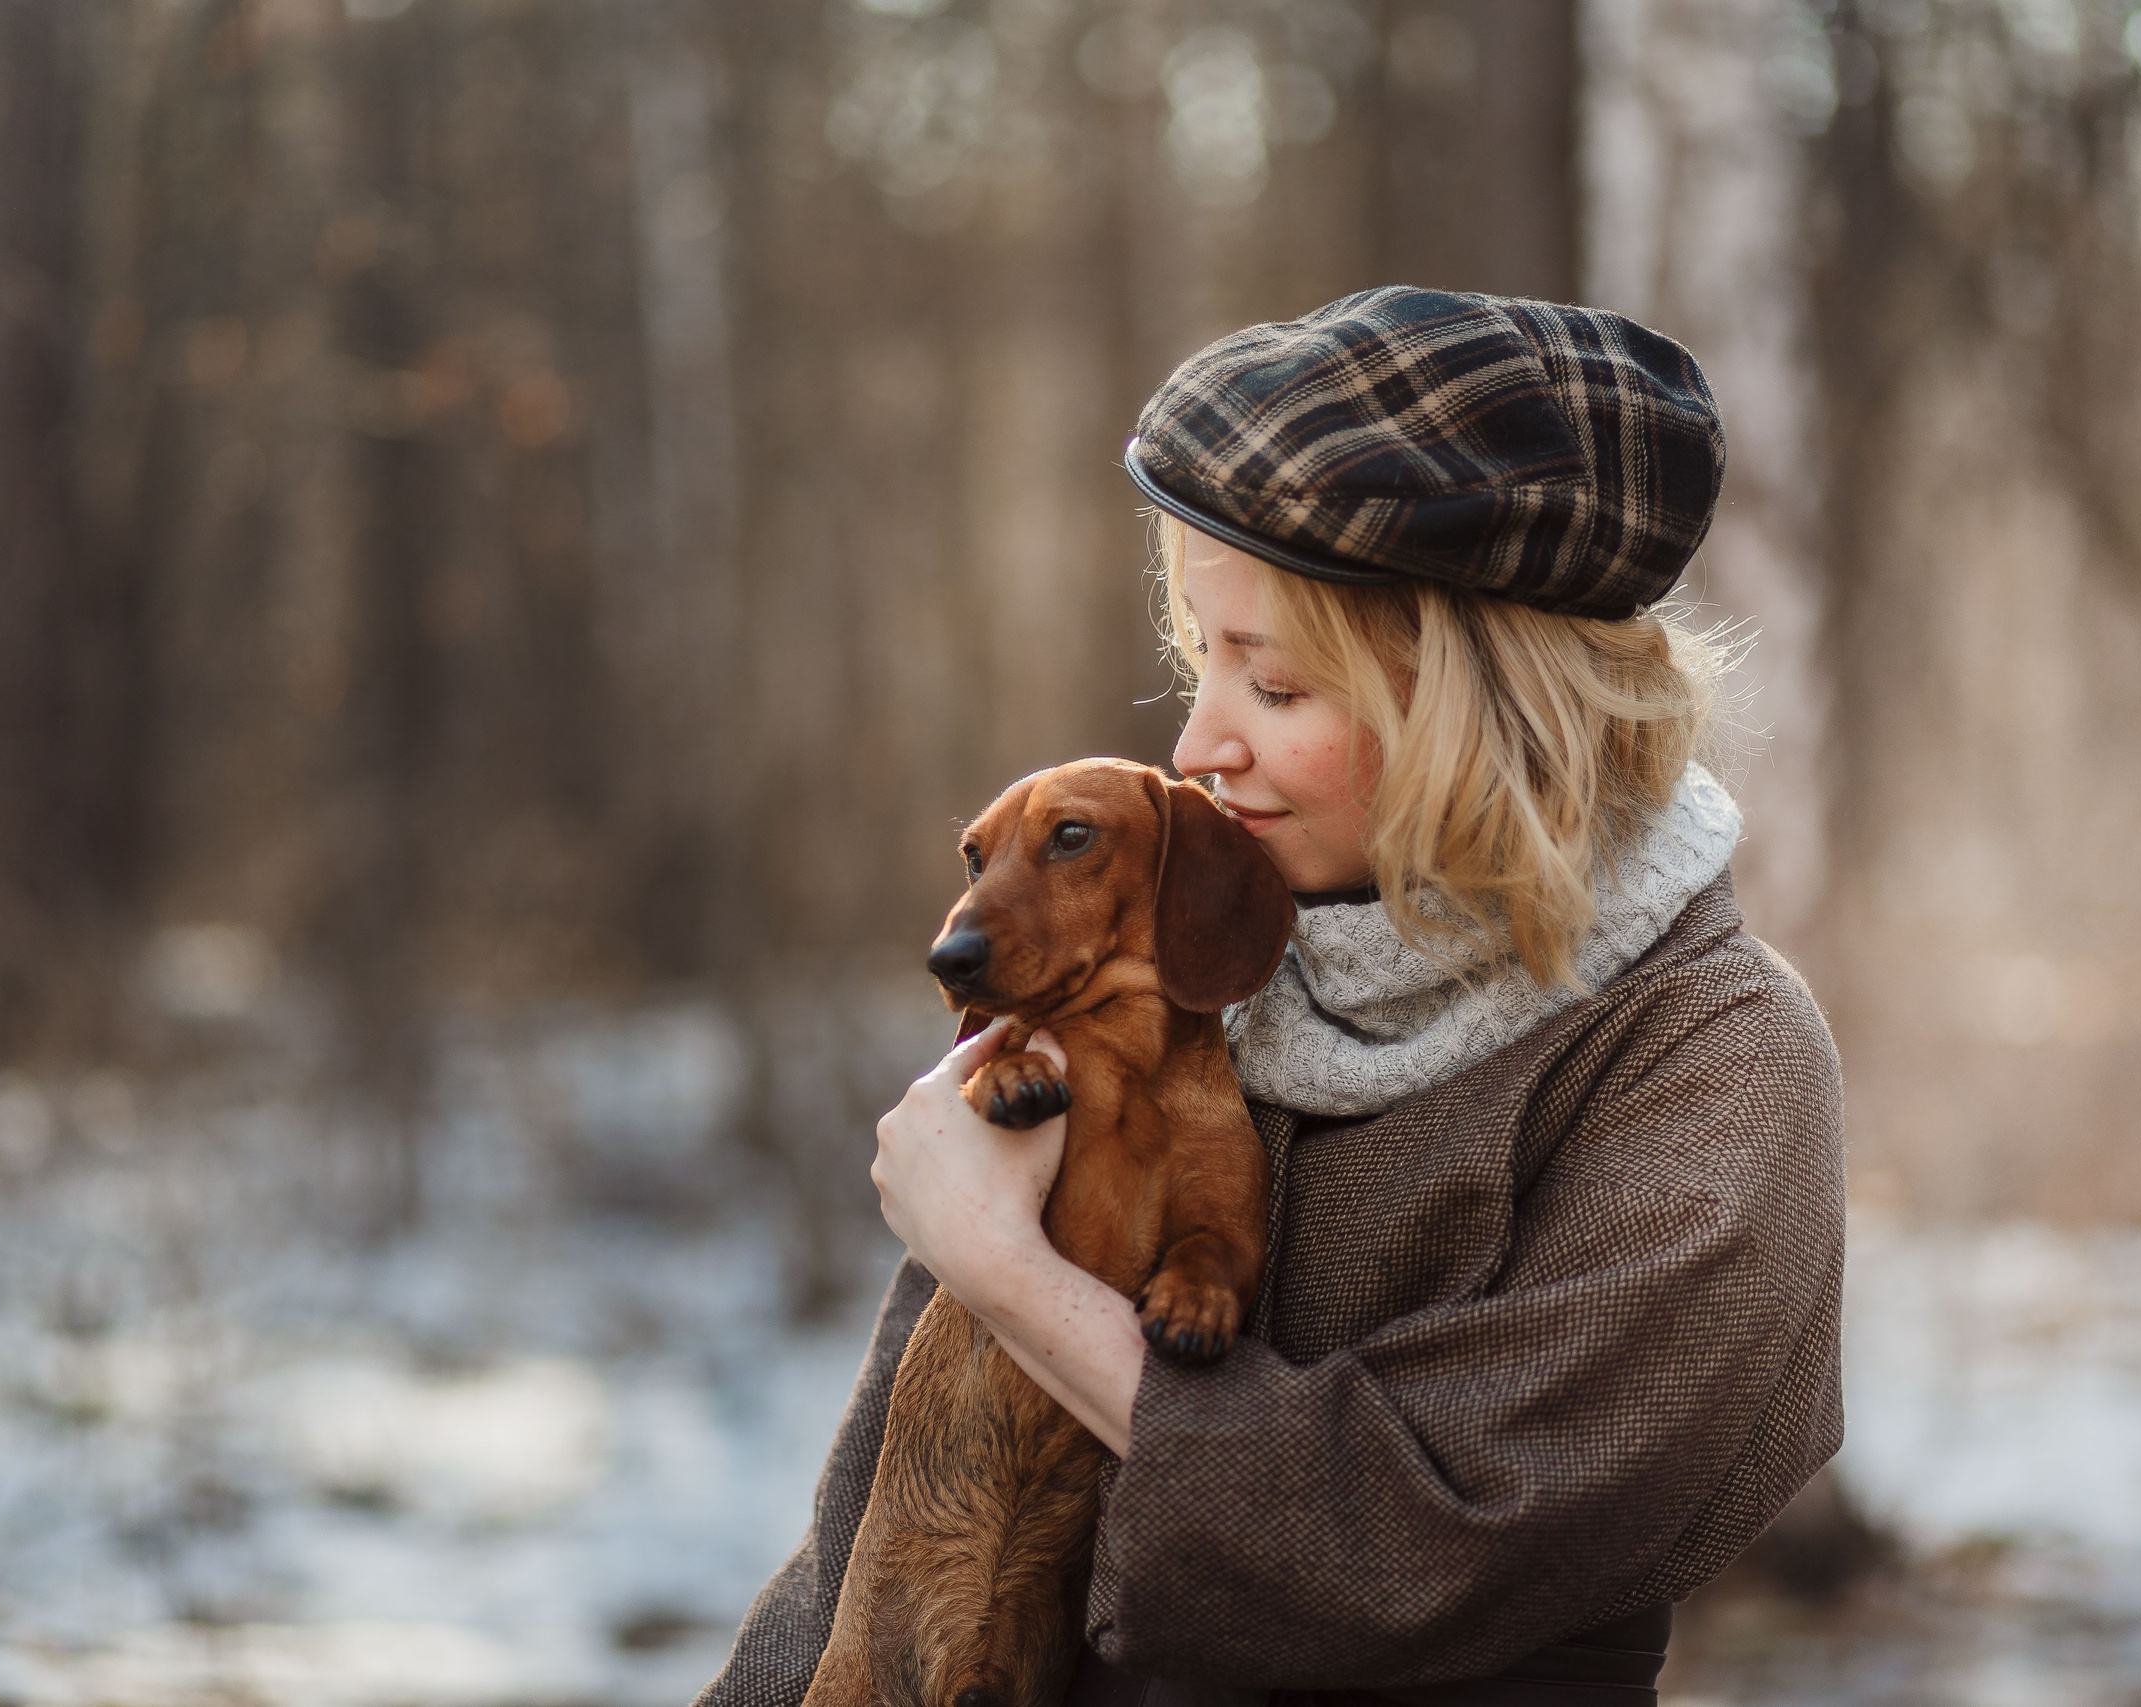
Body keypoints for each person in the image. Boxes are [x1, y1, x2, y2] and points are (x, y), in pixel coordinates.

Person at [700, 289, 1843, 1707]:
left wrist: (1016, 1279)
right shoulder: (1199, 959)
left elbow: (1433, 1546)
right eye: (1204, 662)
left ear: (1489, 716)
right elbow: (895, 1528)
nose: (1199, 744)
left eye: (1279, 685)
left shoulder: (1708, 1061)